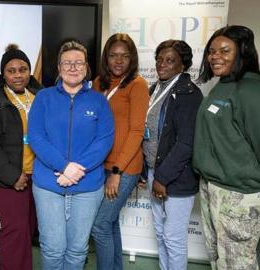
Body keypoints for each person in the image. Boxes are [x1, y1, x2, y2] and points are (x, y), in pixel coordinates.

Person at [28, 40, 114, 270]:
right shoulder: (43, 98)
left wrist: (77, 169)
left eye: (78, 63)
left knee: (77, 250)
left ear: (86, 68)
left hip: (87, 186)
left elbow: (104, 139)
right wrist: (64, 167)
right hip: (49, 184)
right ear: (59, 68)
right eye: (67, 63)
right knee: (52, 249)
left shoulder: (99, 101)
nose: (73, 67)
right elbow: (36, 137)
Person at [193, 25, 260, 270]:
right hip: (212, 185)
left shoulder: (252, 90)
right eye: (211, 51)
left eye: (224, 51)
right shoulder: (222, 85)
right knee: (219, 259)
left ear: (243, 53)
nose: (215, 57)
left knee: (237, 264)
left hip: (239, 193)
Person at [0, 44, 42, 270]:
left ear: (29, 71)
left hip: (38, 174)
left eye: (22, 69)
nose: (17, 75)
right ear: (3, 74)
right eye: (11, 70)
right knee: (16, 229)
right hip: (6, 177)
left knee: (28, 228)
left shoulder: (40, 95)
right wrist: (13, 175)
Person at [90, 33, 149, 270]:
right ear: (106, 58)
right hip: (100, 165)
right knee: (111, 223)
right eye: (113, 55)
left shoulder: (137, 84)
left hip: (124, 168)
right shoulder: (98, 83)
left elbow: (136, 131)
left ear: (132, 58)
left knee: (100, 225)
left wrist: (117, 171)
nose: (118, 61)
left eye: (125, 56)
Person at [142, 39, 202, 270]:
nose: (162, 64)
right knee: (160, 233)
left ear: (182, 65)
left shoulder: (189, 94)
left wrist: (162, 178)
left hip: (175, 177)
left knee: (173, 238)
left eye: (170, 60)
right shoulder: (156, 88)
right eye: (159, 59)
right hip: (153, 171)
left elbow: (186, 143)